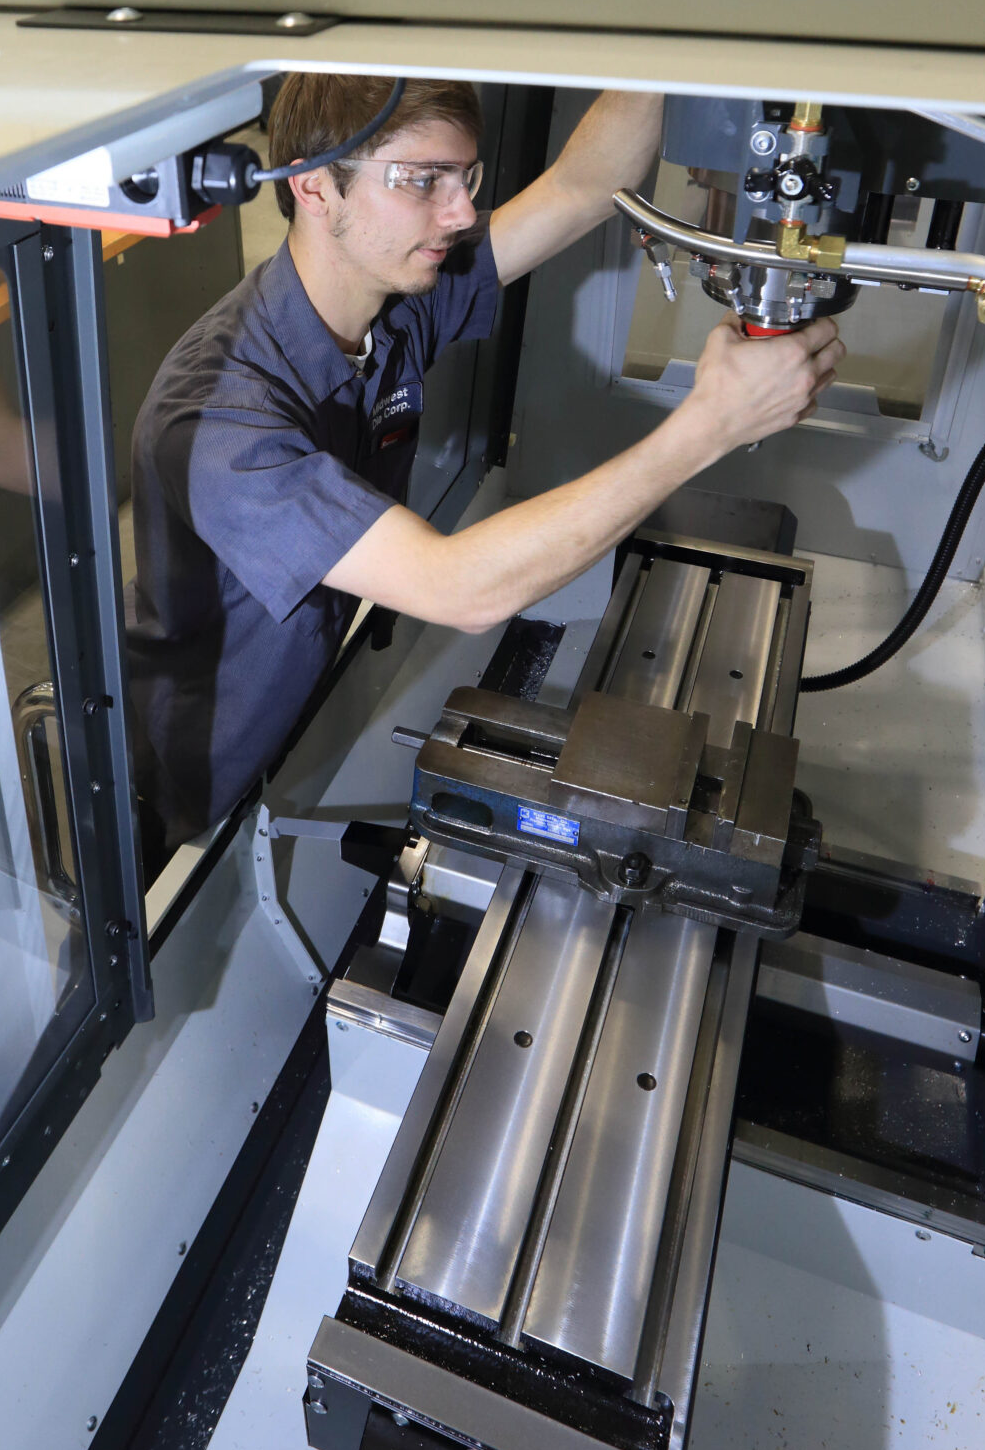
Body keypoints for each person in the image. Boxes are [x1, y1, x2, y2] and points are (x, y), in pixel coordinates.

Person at [124, 75, 844, 865]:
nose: (461, 212)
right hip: (180, 803)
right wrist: (708, 425)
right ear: (310, 184)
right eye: (421, 181)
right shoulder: (218, 420)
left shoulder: (395, 298)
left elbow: (583, 185)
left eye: (463, 179)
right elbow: (456, 588)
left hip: (295, 729)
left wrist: (676, 48)